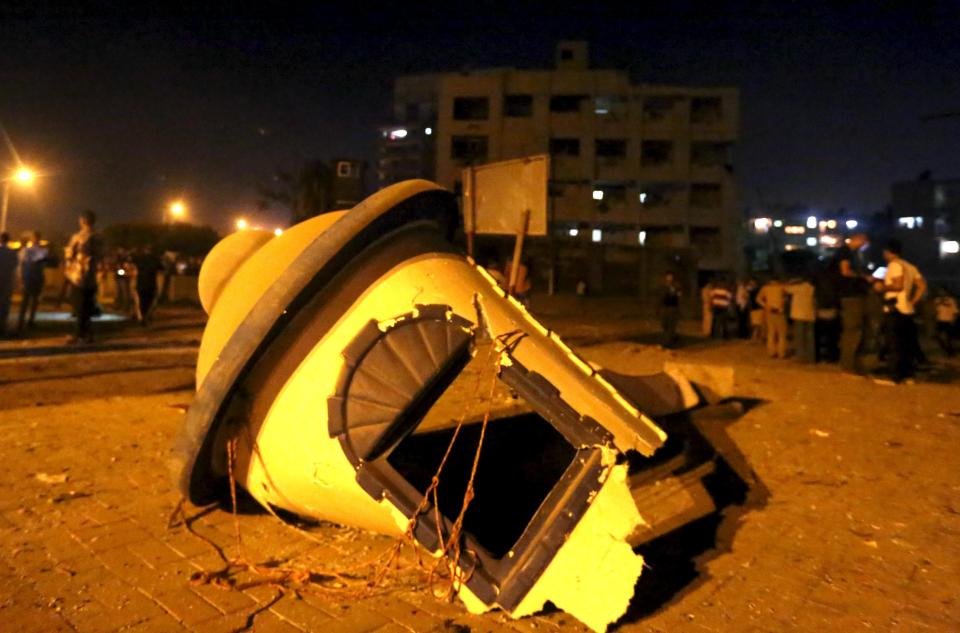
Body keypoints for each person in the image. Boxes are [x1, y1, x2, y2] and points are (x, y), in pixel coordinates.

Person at [879, 240, 924, 384]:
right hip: (907, 310)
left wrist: (882, 288)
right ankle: (907, 375)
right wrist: (913, 302)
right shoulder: (910, 266)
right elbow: (922, 286)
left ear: (888, 252)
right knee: (906, 343)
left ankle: (895, 376)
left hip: (895, 308)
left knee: (894, 343)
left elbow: (897, 286)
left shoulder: (894, 265)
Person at [832, 233, 871, 374]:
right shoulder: (845, 252)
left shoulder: (849, 253)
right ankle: (848, 366)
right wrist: (864, 277)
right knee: (853, 330)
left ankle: (851, 364)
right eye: (864, 243)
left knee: (854, 330)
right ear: (859, 240)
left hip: (851, 295)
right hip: (850, 295)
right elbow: (845, 271)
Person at [65, 210, 105, 343]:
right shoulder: (99, 237)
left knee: (78, 306)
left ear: (82, 221)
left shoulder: (79, 237)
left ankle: (78, 334)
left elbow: (70, 255)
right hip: (92, 277)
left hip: (79, 276)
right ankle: (88, 334)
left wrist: (69, 268)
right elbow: (102, 256)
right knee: (88, 306)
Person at [17, 231, 48, 331]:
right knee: (31, 301)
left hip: (31, 278)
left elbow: (21, 265)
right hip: (34, 278)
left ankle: (24, 321)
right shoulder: (42, 251)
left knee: (28, 301)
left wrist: (21, 278)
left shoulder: (27, 250)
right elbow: (42, 266)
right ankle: (27, 321)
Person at [786, 276, 816, 363]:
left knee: (800, 337)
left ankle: (801, 357)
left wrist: (792, 281)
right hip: (810, 315)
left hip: (799, 315)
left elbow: (786, 289)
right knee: (810, 338)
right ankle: (811, 357)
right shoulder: (812, 288)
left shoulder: (798, 288)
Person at [757, 276, 788, 358]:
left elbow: (758, 299)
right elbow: (786, 297)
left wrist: (766, 305)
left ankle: (771, 352)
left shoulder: (765, 288)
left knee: (771, 332)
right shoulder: (782, 287)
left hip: (769, 311)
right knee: (782, 333)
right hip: (779, 311)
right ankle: (782, 353)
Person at [131, 246, 162, 325]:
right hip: (151, 284)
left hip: (141, 284)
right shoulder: (155, 259)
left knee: (142, 301)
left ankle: (143, 317)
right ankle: (145, 317)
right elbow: (162, 268)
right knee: (149, 301)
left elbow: (132, 260)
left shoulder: (140, 259)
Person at [0, 233, 18, 337]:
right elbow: (14, 266)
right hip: (7, 281)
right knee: (4, 305)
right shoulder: (12, 253)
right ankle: (2, 326)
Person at [659, 272, 682, 347]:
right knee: (664, 324)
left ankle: (668, 343)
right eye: (668, 277)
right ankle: (672, 338)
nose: (669, 278)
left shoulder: (676, 286)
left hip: (673, 307)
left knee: (671, 325)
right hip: (665, 307)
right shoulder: (663, 286)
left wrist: (674, 292)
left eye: (671, 277)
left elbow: (679, 295)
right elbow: (661, 296)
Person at [933, 288, 958, 356]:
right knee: (937, 336)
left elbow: (955, 311)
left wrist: (953, 321)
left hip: (948, 321)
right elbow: (936, 311)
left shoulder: (951, 300)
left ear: (946, 292)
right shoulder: (937, 300)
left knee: (948, 338)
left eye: (942, 292)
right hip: (940, 321)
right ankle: (947, 349)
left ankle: (950, 352)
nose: (941, 293)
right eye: (940, 292)